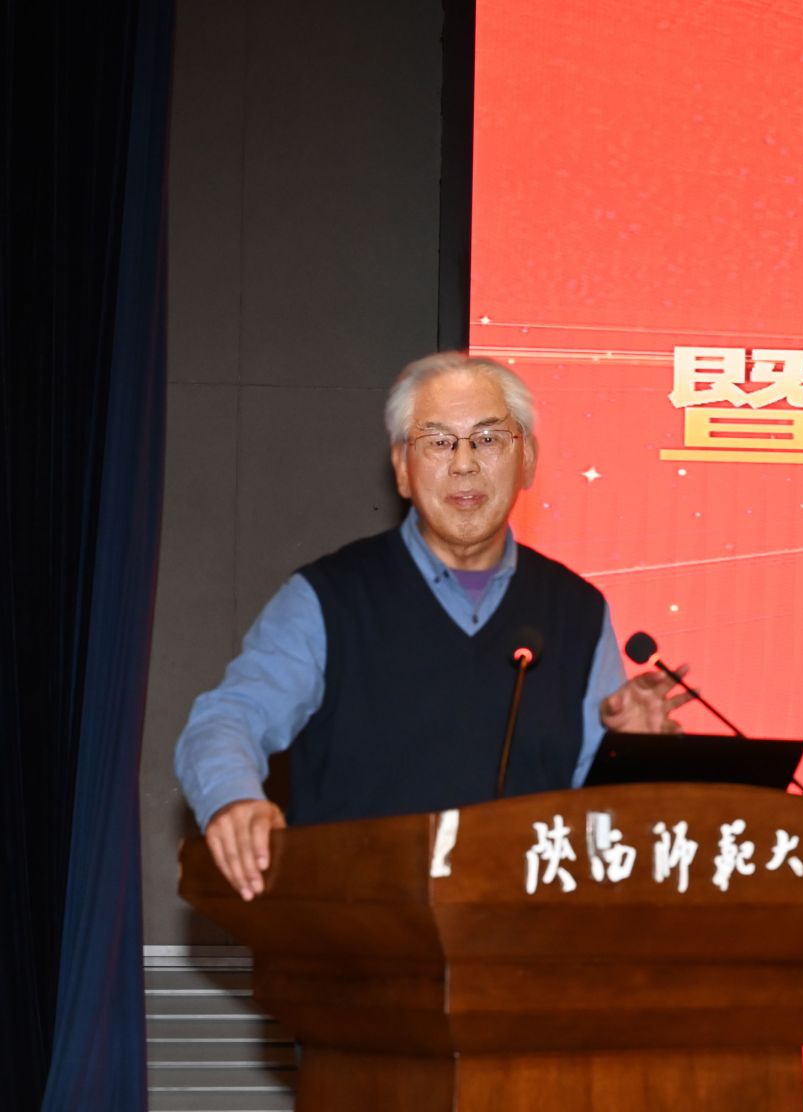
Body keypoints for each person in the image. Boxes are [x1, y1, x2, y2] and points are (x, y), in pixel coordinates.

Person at [175, 351, 680, 901]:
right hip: (352, 926)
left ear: (527, 459)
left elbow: (596, 812)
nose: (464, 463)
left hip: (522, 936)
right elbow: (227, 720)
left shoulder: (578, 610)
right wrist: (233, 801)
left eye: (488, 439)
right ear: (401, 467)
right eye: (439, 442)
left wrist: (633, 755)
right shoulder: (329, 597)